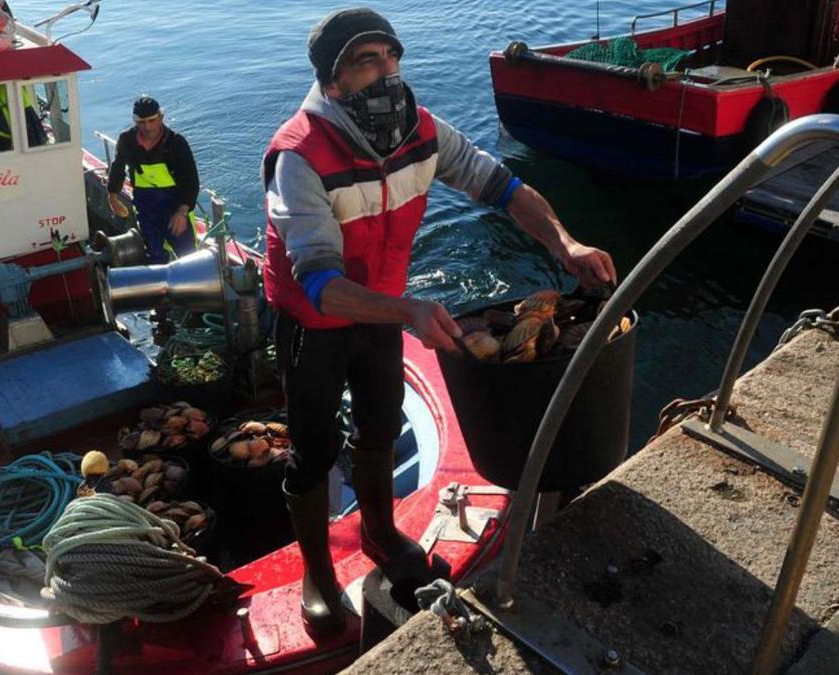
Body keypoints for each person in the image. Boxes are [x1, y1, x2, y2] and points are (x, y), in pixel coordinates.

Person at [262, 7, 617, 637]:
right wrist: (409, 311)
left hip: (382, 312)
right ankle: (318, 575)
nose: (386, 72)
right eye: (367, 61)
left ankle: (378, 530)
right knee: (313, 447)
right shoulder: (299, 155)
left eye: (392, 57)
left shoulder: (420, 132)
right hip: (315, 322)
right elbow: (318, 282)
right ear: (334, 78)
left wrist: (567, 245)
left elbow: (501, 186)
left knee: (380, 420)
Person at [106, 97, 200, 264]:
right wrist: (112, 195)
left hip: (175, 209)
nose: (147, 127)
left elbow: (191, 181)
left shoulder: (176, 143)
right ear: (134, 121)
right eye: (141, 122)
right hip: (146, 209)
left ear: (161, 117)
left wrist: (182, 212)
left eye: (151, 120)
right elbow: (118, 167)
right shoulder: (126, 140)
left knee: (188, 257)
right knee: (156, 256)